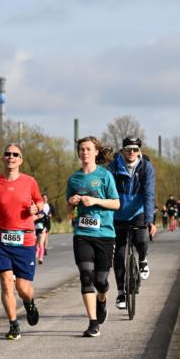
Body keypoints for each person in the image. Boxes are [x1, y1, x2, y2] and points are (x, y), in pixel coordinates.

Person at [0, 144, 44, 341]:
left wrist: (36, 209)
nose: (11, 157)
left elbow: (39, 203)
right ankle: (14, 324)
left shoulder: (30, 182)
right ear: (2, 158)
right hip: (1, 239)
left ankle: (29, 303)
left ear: (21, 160)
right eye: (7, 154)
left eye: (15, 154)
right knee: (6, 284)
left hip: (25, 239)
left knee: (22, 288)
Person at [66, 136, 120, 338]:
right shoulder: (74, 179)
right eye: (81, 149)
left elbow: (116, 204)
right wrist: (72, 201)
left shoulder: (105, 176)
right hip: (82, 234)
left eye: (88, 149)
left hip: (104, 234)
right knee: (86, 277)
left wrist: (95, 200)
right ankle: (93, 322)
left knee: (101, 281)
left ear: (96, 152)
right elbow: (68, 207)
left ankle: (102, 299)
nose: (84, 153)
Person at [110, 136, 156, 309]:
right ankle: (121, 293)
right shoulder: (113, 167)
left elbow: (149, 194)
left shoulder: (146, 168)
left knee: (141, 240)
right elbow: (106, 193)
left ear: (140, 152)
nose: (131, 152)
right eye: (128, 149)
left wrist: (150, 220)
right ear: (122, 151)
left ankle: (143, 260)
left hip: (139, 212)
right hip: (118, 215)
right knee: (120, 254)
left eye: (135, 150)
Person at [34, 194, 52, 265]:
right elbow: (32, 222)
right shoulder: (34, 214)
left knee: (41, 243)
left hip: (42, 231)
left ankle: (41, 258)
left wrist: (45, 229)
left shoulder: (44, 214)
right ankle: (35, 256)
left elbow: (47, 224)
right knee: (36, 245)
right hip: (35, 231)